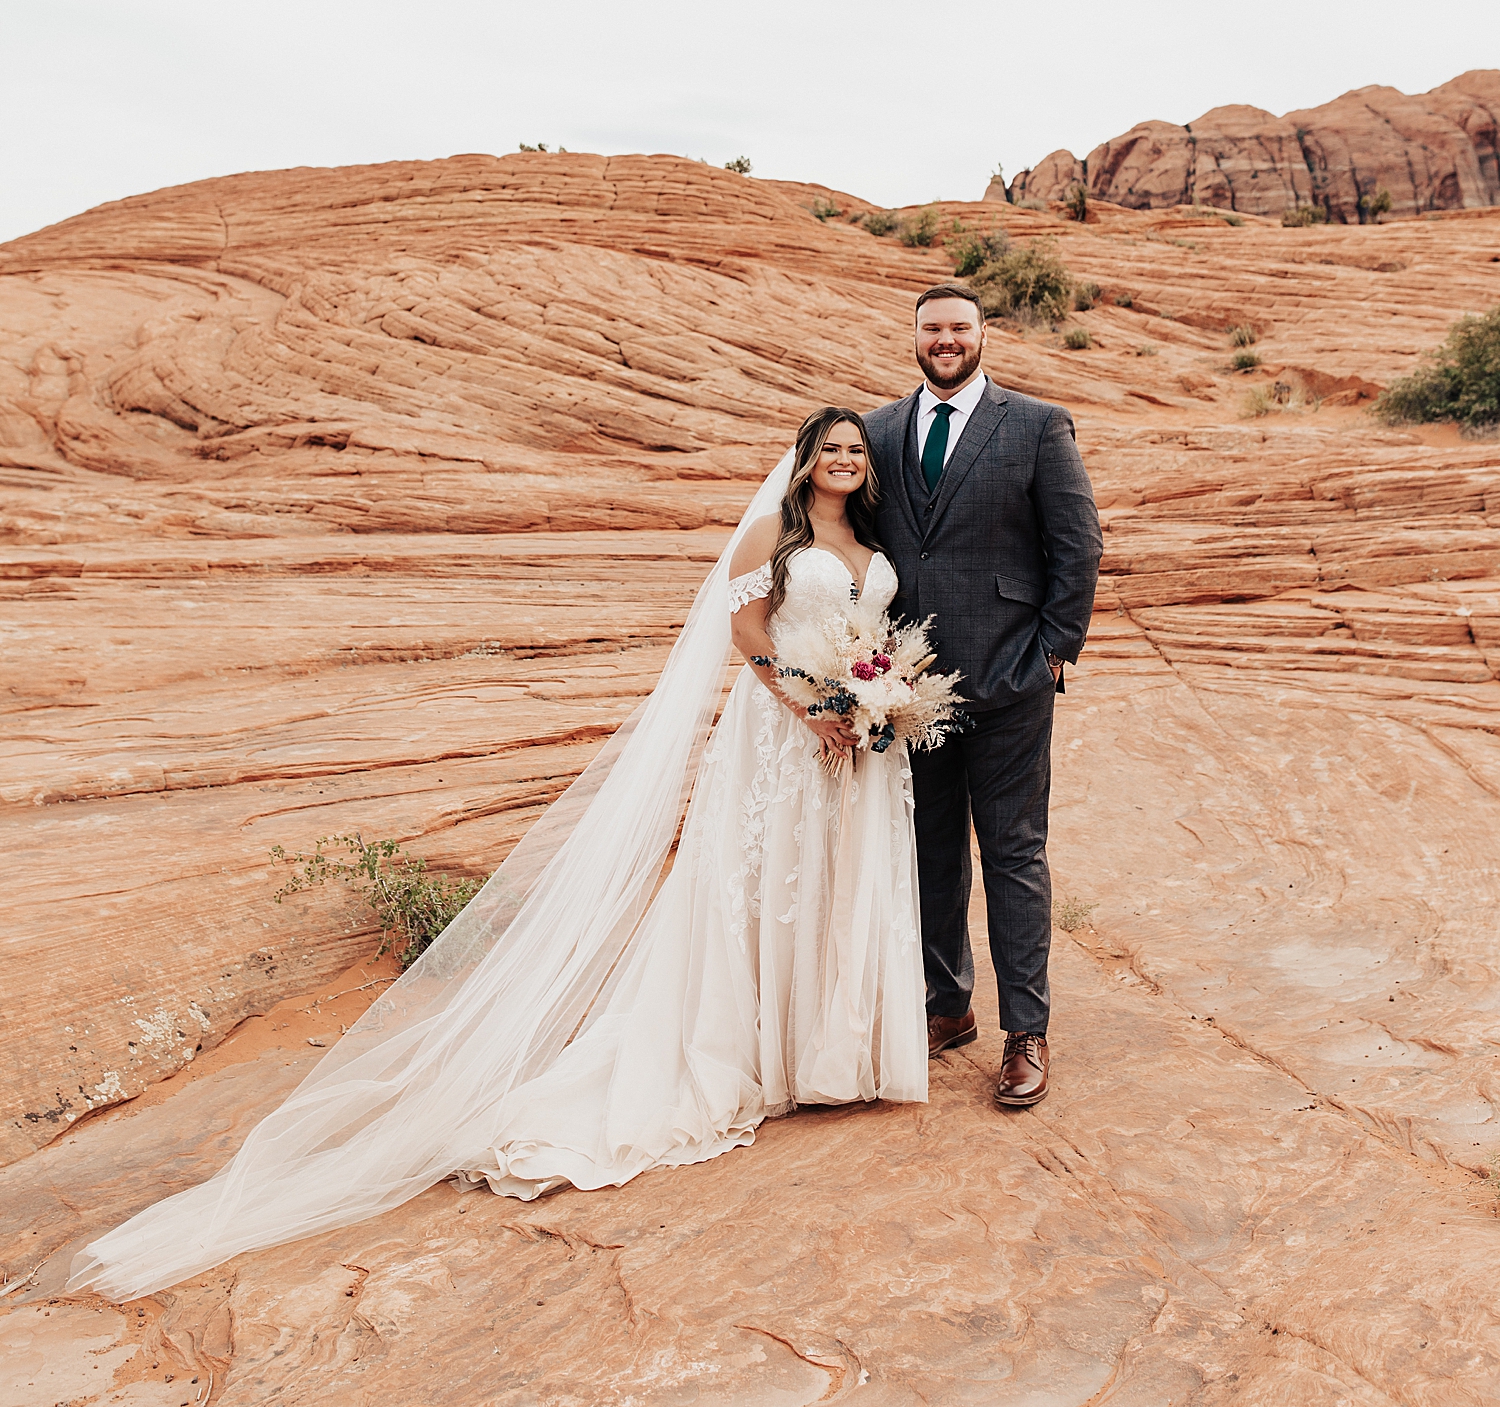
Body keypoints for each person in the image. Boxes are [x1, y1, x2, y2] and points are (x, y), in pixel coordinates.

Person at [70, 407, 926, 1302]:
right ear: (803, 461)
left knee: (833, 885)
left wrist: (874, 699)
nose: (843, 459)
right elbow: (745, 636)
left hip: (859, 738)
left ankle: (833, 1047)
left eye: (855, 450)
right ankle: (762, 1050)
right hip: (786, 734)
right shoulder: (772, 536)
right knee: (767, 888)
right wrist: (809, 705)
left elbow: (870, 636)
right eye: (830, 448)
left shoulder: (868, 539)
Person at [863, 283, 1102, 1112]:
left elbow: (1078, 546)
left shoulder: (1037, 425)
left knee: (1013, 858)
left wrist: (1052, 656)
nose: (945, 340)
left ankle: (1025, 1032)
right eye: (932, 329)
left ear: (982, 336)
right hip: (907, 691)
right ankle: (948, 1005)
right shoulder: (880, 431)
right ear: (914, 338)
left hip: (1010, 680)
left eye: (959, 328)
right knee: (929, 854)